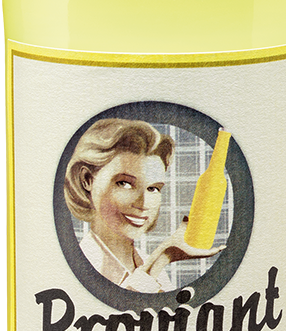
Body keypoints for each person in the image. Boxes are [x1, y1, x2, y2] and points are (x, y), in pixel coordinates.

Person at [64, 118, 220, 293]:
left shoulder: (150, 264)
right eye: (125, 184)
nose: (144, 204)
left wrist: (162, 258)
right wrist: (162, 256)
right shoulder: (79, 265)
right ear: (87, 180)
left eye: (153, 188)